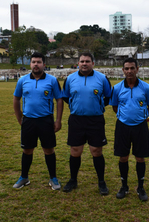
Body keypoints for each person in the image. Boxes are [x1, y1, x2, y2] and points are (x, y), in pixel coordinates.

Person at [62, 52, 112, 195]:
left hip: (95, 120)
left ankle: (101, 182)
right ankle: (73, 179)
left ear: (93, 63)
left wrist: (99, 106)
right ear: (78, 63)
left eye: (87, 61)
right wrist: (75, 105)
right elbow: (65, 96)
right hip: (76, 119)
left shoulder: (102, 78)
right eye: (82, 61)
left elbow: (108, 96)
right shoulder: (70, 78)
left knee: (96, 151)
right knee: (75, 151)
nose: (84, 63)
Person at [13, 52, 64, 190]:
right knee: (27, 150)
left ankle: (53, 178)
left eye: (39, 62)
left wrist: (58, 120)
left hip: (46, 120)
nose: (36, 64)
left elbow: (59, 99)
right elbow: (16, 98)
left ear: (44, 65)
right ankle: (24, 177)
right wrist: (20, 118)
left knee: (49, 150)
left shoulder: (52, 80)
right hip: (28, 121)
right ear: (30, 64)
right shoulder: (22, 80)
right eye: (34, 62)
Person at [110, 58, 149, 200]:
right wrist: (126, 117)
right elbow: (114, 107)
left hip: (140, 126)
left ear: (137, 69)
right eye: (127, 69)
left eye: (132, 68)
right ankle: (124, 186)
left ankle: (140, 188)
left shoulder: (146, 87)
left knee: (140, 157)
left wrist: (139, 117)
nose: (129, 71)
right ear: (123, 70)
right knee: (123, 157)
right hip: (122, 126)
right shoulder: (117, 88)